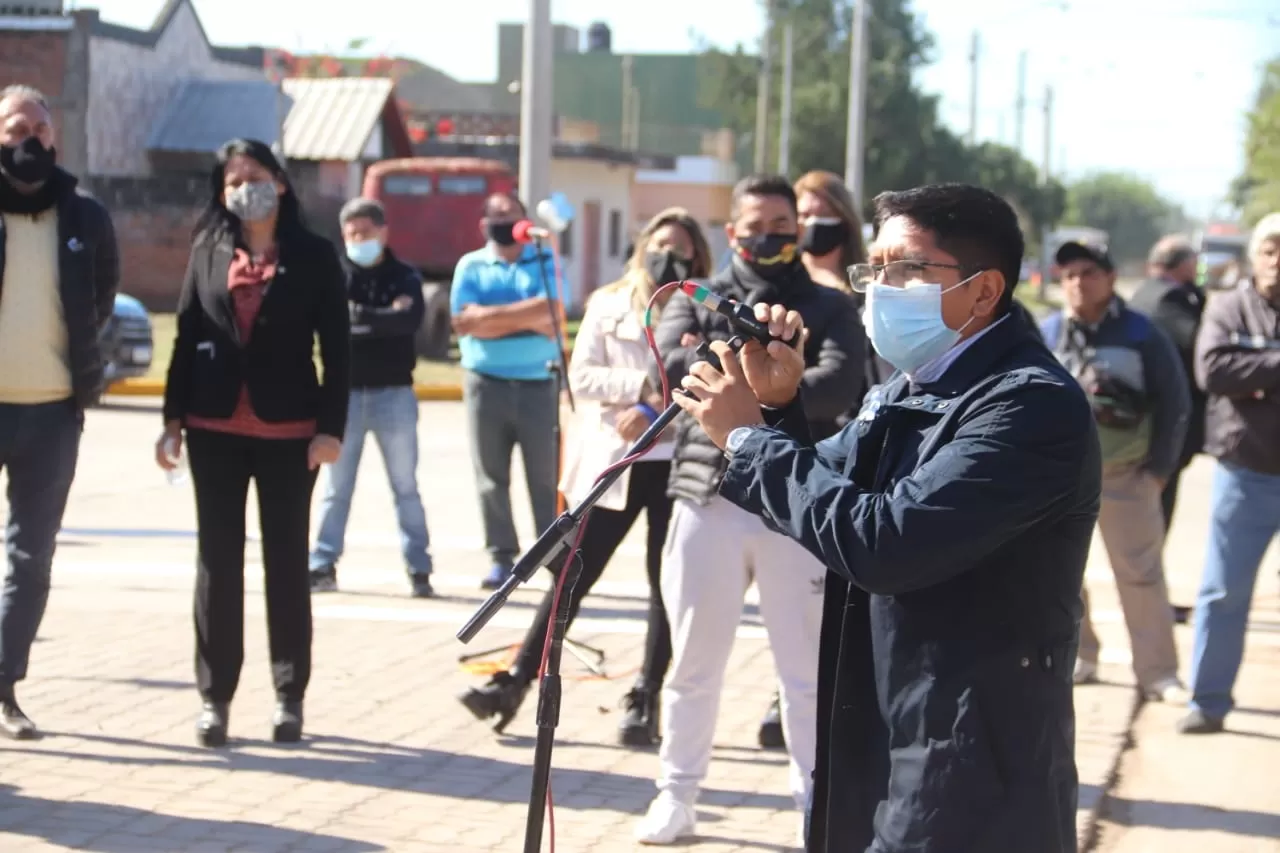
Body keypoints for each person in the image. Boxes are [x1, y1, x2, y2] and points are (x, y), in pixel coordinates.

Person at [671, 184, 1100, 852]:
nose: (880, 288)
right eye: (874, 269)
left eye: (906, 269)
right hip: (893, 728)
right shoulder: (909, 385)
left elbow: (884, 542)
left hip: (974, 761)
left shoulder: (1028, 406)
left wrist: (750, 441)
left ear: (983, 292)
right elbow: (829, 492)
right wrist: (779, 407)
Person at [635, 174, 864, 846]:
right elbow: (679, 377)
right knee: (693, 663)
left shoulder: (828, 306)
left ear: (798, 228)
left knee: (805, 670)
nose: (771, 235)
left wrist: (746, 398)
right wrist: (775, 386)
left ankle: (814, 803)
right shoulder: (696, 301)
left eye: (782, 224)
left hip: (796, 502)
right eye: (755, 224)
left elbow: (838, 385)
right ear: (731, 230)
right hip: (709, 497)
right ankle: (675, 795)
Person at [458, 207, 712, 745]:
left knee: (665, 586)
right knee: (571, 575)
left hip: (675, 463)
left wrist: (656, 401)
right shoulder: (608, 301)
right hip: (619, 461)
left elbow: (710, 378)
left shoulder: (700, 306)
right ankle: (516, 679)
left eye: (683, 250)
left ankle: (645, 696)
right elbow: (584, 375)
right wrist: (642, 389)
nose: (671, 255)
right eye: (662, 243)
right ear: (642, 245)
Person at [156, 139, 349, 747]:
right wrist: (171, 419)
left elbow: (339, 351)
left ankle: (289, 695)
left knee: (287, 563)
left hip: (290, 433)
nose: (246, 188)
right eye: (233, 180)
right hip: (212, 427)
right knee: (217, 564)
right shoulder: (209, 249)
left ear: (281, 183)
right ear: (222, 192)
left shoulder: (316, 256)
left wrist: (330, 429)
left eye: (256, 175)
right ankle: (215, 698)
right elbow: (186, 335)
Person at [0, 85, 119, 740]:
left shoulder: (84, 217)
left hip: (50, 415)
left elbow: (102, 296)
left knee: (30, 558)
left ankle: (6, 684)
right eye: (17, 126)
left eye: (41, 129)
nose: (30, 138)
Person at [1040, 240, 1188, 700]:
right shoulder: (1046, 334)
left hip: (1127, 476)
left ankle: (1158, 673)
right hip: (1059, 481)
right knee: (1061, 575)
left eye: (1087, 272)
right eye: (1067, 275)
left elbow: (1176, 403)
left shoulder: (1143, 333)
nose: (1077, 283)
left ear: (1109, 277)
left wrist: (1159, 470)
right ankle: (1081, 657)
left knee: (1141, 576)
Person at [1179, 212, 1280, 735]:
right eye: (1270, 249)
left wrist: (1259, 376)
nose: (1278, 261)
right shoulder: (1228, 307)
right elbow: (1213, 370)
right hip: (1248, 474)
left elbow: (1238, 373)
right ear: (1255, 256)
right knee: (1224, 591)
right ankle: (1209, 700)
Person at [310, 197, 433, 598]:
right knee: (336, 487)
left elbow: (409, 321)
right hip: (343, 398)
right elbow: (330, 327)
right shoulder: (333, 274)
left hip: (394, 395)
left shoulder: (405, 276)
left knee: (405, 486)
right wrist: (380, 318)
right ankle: (322, 563)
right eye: (351, 234)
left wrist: (359, 317)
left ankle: (419, 568)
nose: (358, 240)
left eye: (365, 232)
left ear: (383, 232)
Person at [451, 192, 561, 591]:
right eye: (494, 215)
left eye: (509, 214)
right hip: (485, 384)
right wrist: (525, 316)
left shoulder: (545, 260)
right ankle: (501, 557)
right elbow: (463, 323)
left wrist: (489, 318)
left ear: (523, 220)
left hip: (538, 384)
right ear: (483, 224)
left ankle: (551, 558)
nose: (501, 220)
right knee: (490, 477)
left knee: (544, 478)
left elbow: (551, 314)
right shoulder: (471, 265)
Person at [1129, 236, 1205, 624]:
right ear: (1182, 264)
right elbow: (1199, 343)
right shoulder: (1170, 299)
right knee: (1157, 517)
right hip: (1163, 430)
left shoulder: (1141, 292)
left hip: (1138, 428)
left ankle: (1151, 598)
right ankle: (1152, 602)